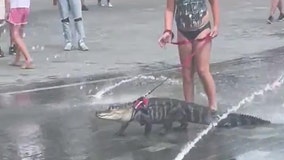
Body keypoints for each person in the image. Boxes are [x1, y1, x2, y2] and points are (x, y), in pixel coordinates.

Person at [158, 0, 220, 122]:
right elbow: (170, 9)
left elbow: (214, 2)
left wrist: (216, 25)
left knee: (202, 70)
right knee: (186, 74)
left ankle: (213, 108)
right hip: (183, 30)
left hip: (202, 28)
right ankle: (189, 108)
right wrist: (167, 30)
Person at [5, 0, 34, 69]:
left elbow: (7, 1)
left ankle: (28, 59)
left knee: (15, 34)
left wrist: (7, 11)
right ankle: (17, 58)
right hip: (26, 6)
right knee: (19, 34)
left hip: (15, 7)